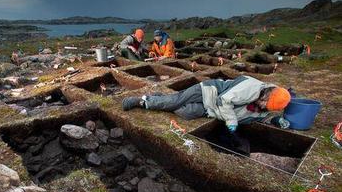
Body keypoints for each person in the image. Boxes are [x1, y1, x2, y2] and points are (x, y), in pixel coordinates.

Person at [122, 75, 291, 131]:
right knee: (176, 101)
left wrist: (276, 120)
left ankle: (160, 98)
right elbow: (223, 99)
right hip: (209, 91)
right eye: (265, 105)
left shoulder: (265, 104)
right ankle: (140, 102)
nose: (263, 109)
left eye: (267, 109)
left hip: (210, 109)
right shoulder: (251, 88)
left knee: (185, 113)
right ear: (267, 96)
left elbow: (262, 117)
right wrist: (232, 121)